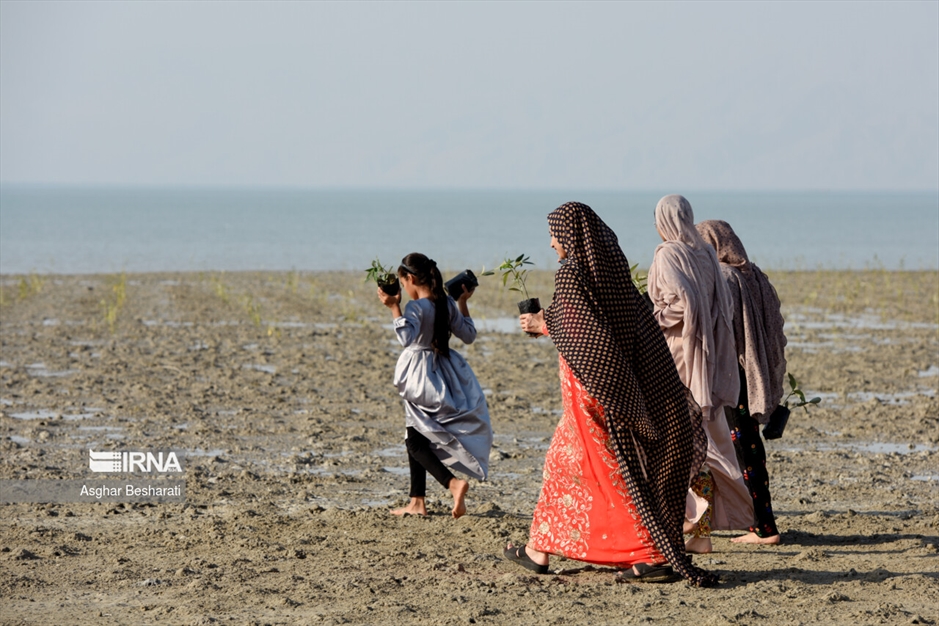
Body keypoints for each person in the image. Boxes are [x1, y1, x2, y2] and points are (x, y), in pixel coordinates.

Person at [504, 202, 716, 587]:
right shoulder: (611, 272)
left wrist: (543, 321)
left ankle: (650, 553)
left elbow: (585, 335)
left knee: (600, 469)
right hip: (614, 388)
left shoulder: (571, 275)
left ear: (570, 236)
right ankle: (540, 547)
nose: (552, 243)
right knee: (579, 466)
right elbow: (625, 326)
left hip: (590, 389)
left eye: (555, 234)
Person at [648, 195, 753, 554]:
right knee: (707, 442)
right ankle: (700, 534)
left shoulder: (668, 254)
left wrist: (653, 320)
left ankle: (687, 526)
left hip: (679, 355)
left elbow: (682, 304)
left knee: (679, 443)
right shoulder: (706, 253)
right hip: (707, 360)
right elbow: (716, 304)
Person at [377, 252, 493, 518]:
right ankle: (417, 502)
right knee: (417, 433)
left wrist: (394, 307)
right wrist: (462, 303)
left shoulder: (417, 307)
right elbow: (469, 335)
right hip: (443, 371)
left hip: (420, 375)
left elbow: (406, 338)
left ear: (411, 279)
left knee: (415, 440)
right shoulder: (447, 304)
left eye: (402, 282)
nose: (403, 288)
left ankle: (453, 484)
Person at [696, 220, 787, 545]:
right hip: (751, 372)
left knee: (742, 450)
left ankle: (764, 528)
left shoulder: (724, 277)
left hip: (732, 376)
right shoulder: (753, 274)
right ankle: (758, 523)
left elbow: (720, 331)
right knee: (750, 449)